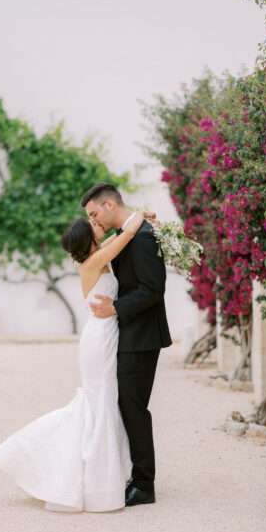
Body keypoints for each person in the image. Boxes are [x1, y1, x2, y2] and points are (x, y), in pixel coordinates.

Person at [0, 209, 147, 512]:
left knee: (102, 403)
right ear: (88, 240)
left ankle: (101, 478)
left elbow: (117, 236)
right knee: (98, 404)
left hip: (104, 334)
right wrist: (138, 215)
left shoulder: (95, 256)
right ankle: (87, 479)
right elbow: (126, 235)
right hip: (99, 339)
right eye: (93, 225)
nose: (98, 225)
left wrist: (136, 217)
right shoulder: (93, 263)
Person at [81, 183, 172, 507]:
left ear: (108, 205)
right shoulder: (130, 233)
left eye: (94, 213)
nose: (94, 220)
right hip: (129, 334)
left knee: (133, 407)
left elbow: (153, 289)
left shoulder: (143, 237)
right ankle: (136, 474)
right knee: (126, 405)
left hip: (142, 335)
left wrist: (115, 309)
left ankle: (144, 485)